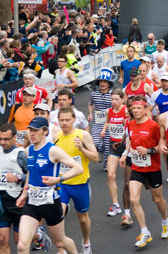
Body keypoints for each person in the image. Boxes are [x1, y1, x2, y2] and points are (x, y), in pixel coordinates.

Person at [16, 117, 83, 254]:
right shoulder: (28, 151)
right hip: (32, 203)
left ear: (45, 131)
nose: (31, 134)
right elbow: (31, 173)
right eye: (30, 130)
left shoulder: (53, 151)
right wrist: (24, 193)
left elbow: (78, 168)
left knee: (60, 242)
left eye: (35, 130)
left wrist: (58, 179)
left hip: (51, 203)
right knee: (22, 246)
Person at [119, 96, 168, 248]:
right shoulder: (130, 123)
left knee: (157, 200)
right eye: (133, 109)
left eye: (138, 108)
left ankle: (165, 221)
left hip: (153, 168)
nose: (135, 111)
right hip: (137, 167)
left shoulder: (153, 126)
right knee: (134, 199)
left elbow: (161, 147)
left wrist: (148, 150)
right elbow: (130, 141)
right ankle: (144, 231)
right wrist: (124, 155)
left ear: (145, 110)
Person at [0, 122, 52, 254]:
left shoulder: (21, 154)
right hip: (2, 203)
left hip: (19, 202)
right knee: (2, 240)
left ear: (15, 138)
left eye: (6, 139)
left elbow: (33, 176)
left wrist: (18, 178)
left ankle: (39, 236)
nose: (3, 142)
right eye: (0, 139)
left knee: (20, 242)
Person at [54, 107, 99, 254]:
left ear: (74, 119)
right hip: (62, 184)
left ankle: (86, 243)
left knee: (83, 220)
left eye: (67, 120)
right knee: (59, 213)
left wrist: (82, 149)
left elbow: (95, 158)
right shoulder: (56, 136)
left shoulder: (83, 135)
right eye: (62, 120)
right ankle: (62, 247)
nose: (65, 123)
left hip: (80, 184)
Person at [100, 89, 130, 219]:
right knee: (110, 175)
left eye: (116, 99)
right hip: (113, 145)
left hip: (126, 145)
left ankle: (131, 202)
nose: (114, 102)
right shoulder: (109, 111)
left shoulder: (126, 111)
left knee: (128, 181)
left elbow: (130, 128)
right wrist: (104, 130)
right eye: (112, 99)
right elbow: (108, 121)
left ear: (122, 99)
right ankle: (116, 204)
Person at [88, 68, 113, 170]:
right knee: (95, 142)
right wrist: (90, 114)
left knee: (107, 144)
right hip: (97, 122)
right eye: (101, 82)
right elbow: (90, 104)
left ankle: (106, 164)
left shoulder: (112, 94)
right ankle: (100, 151)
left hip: (109, 122)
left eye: (105, 82)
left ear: (108, 84)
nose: (102, 84)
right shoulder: (94, 94)